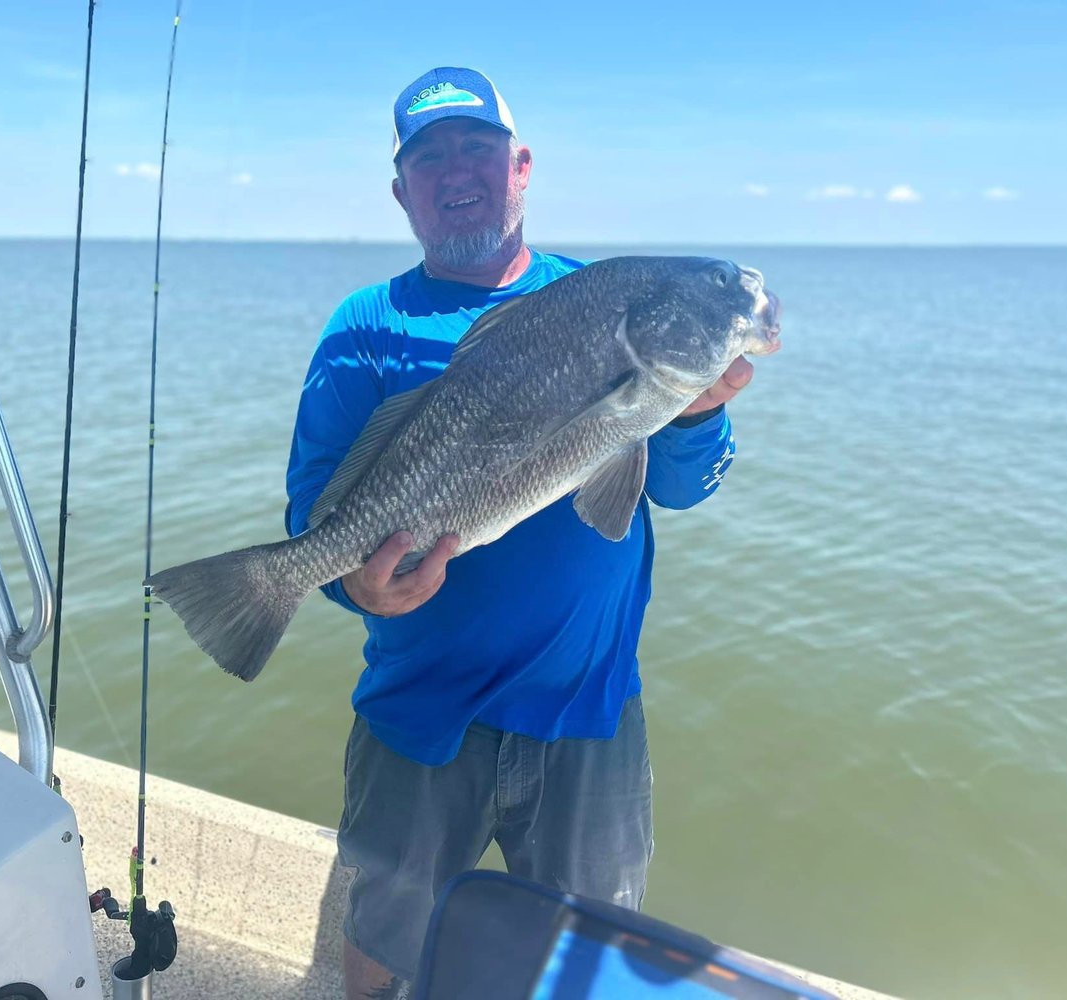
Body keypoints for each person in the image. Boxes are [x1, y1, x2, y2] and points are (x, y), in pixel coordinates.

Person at [284, 67, 758, 999]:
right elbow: (313, 513)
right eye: (428, 157)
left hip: (587, 706)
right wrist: (350, 584)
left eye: (477, 147)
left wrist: (694, 417)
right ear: (400, 191)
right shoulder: (363, 325)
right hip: (417, 709)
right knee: (384, 928)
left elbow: (680, 488)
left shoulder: (604, 299)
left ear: (522, 165)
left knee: (588, 944)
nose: (455, 170)